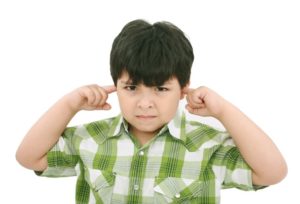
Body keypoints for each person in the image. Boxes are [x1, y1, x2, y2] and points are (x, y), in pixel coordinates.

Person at [16, 19, 287, 204]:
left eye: (160, 89)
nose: (145, 103)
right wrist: (69, 104)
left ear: (183, 89)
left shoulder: (207, 146)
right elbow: (29, 157)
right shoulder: (91, 140)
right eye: (132, 87)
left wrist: (224, 111)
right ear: (116, 86)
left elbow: (272, 172)